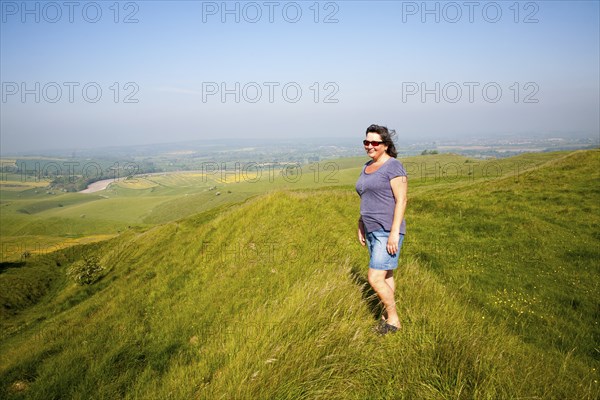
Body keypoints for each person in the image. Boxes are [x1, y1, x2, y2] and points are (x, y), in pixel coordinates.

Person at [355, 124, 408, 334]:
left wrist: (394, 232)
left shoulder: (394, 166)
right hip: (371, 229)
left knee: (374, 277)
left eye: (375, 142)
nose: (370, 146)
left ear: (385, 145)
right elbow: (367, 197)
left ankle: (394, 320)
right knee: (385, 276)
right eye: (366, 142)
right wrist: (360, 223)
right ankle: (386, 317)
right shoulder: (367, 166)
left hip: (387, 230)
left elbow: (402, 200)